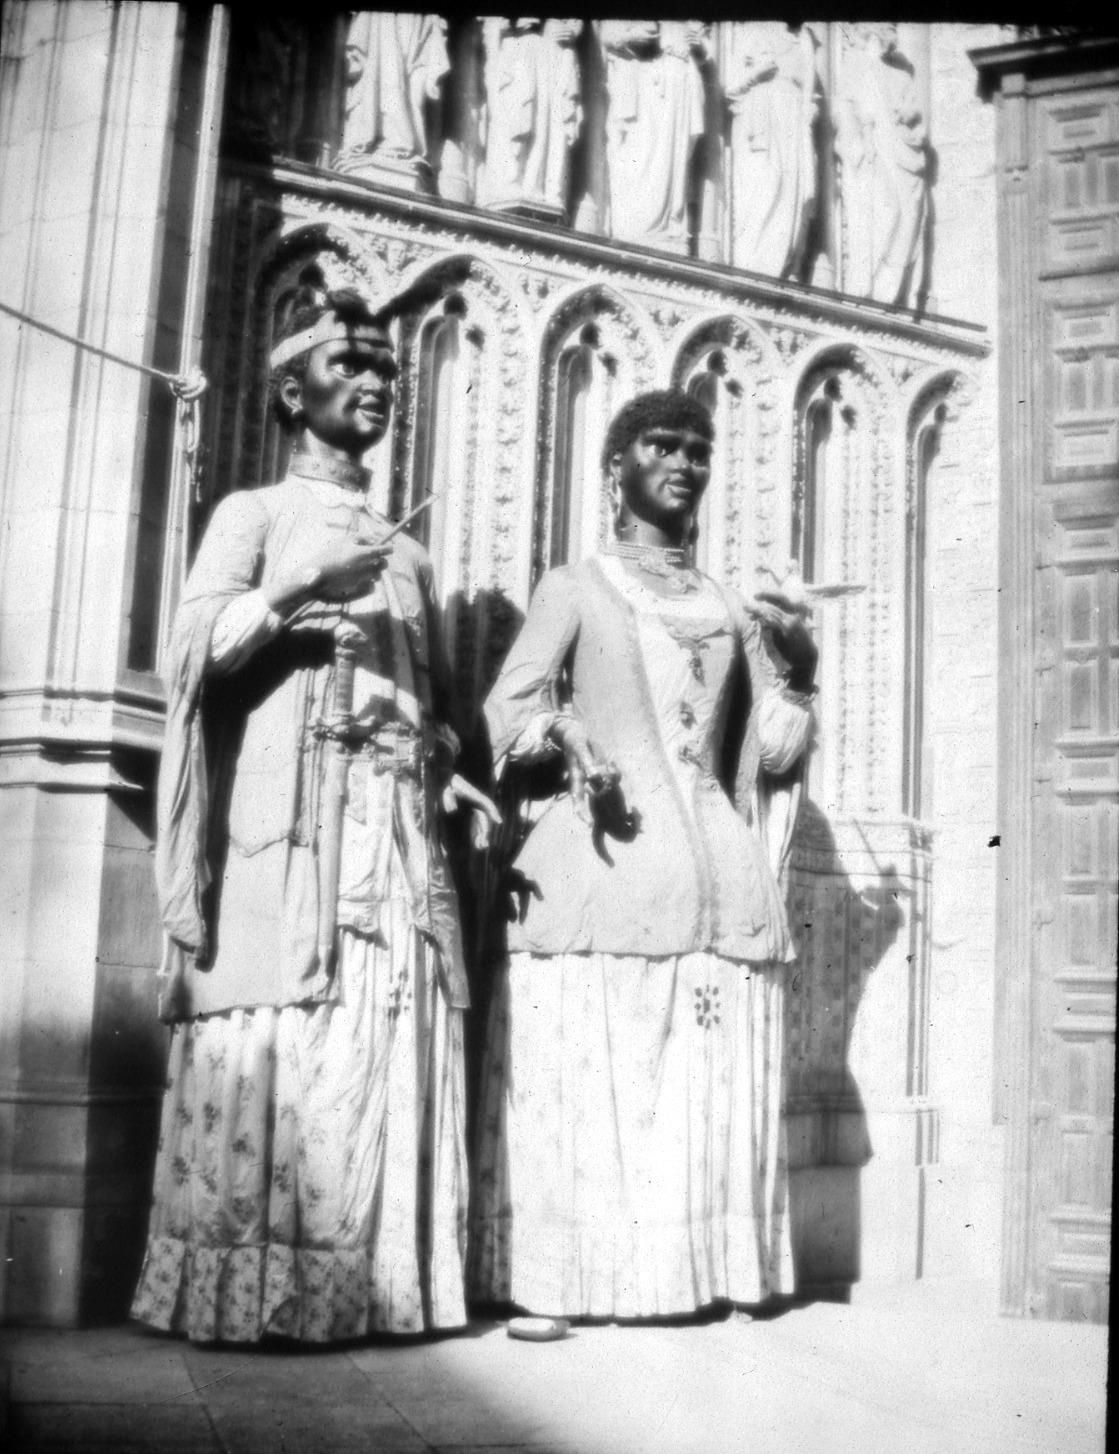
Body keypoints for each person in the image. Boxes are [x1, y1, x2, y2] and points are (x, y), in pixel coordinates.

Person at [131, 279, 497, 1344]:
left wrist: (447, 765)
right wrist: (298, 586)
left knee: (378, 1041)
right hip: (285, 832)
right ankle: (259, 1296)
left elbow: (423, 704)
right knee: (290, 1029)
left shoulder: (413, 554)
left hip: (392, 831)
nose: (378, 381)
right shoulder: (252, 513)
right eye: (352, 366)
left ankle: (373, 1292)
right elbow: (189, 654)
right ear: (293, 393)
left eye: (387, 368)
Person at [470, 389, 817, 1322]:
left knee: (695, 1090)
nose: (684, 463)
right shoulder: (574, 587)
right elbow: (505, 709)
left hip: (719, 878)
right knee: (592, 1085)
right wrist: (563, 733)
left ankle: (699, 1276)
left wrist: (802, 662)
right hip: (603, 871)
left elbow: (775, 748)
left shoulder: (731, 605)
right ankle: (559, 1283)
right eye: (662, 445)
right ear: (615, 465)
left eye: (699, 450)